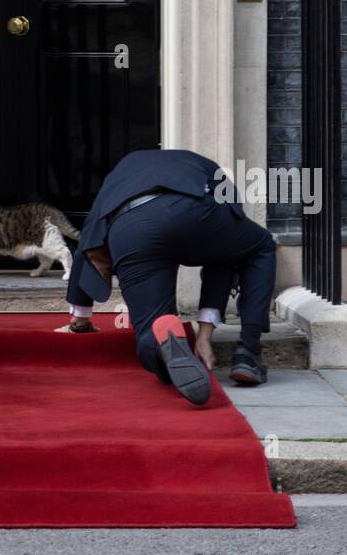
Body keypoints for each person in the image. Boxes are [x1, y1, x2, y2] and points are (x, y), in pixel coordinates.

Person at [62, 148, 276, 406]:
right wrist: (205, 334)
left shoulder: (121, 173)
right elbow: (224, 256)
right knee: (260, 245)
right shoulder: (202, 164)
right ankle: (247, 354)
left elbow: (90, 236)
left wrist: (81, 316)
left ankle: (163, 340)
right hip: (194, 212)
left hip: (131, 227)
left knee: (152, 325)